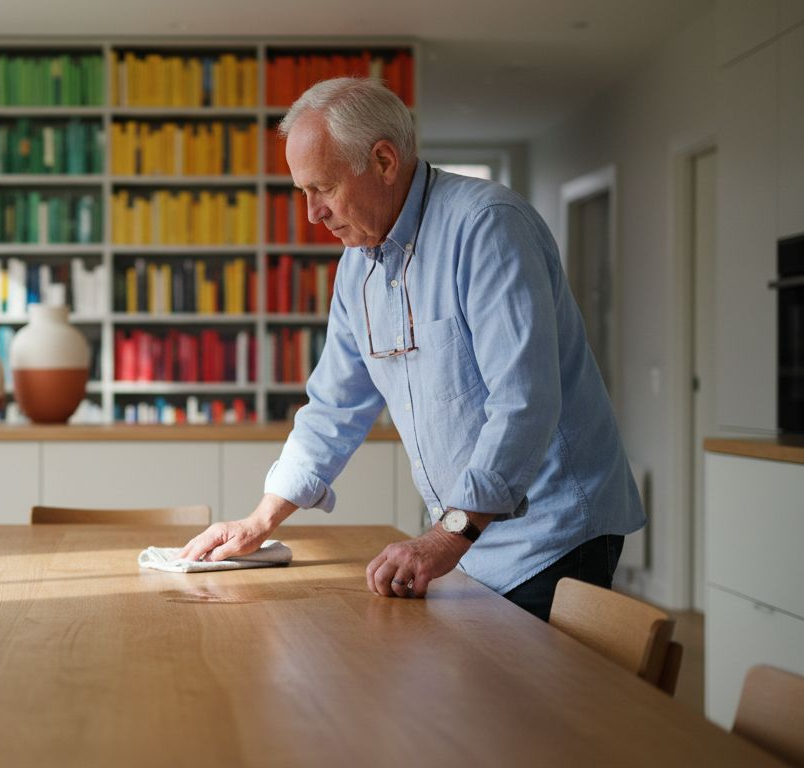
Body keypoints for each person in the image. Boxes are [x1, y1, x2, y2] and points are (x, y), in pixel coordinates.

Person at [178, 77, 645, 620]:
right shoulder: (358, 268)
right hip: (469, 539)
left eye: (323, 188)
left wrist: (444, 538)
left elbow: (524, 402)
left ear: (383, 161)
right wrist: (259, 521)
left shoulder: (488, 227)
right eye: (302, 191)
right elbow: (334, 408)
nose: (312, 213)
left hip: (553, 534)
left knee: (530, 705)